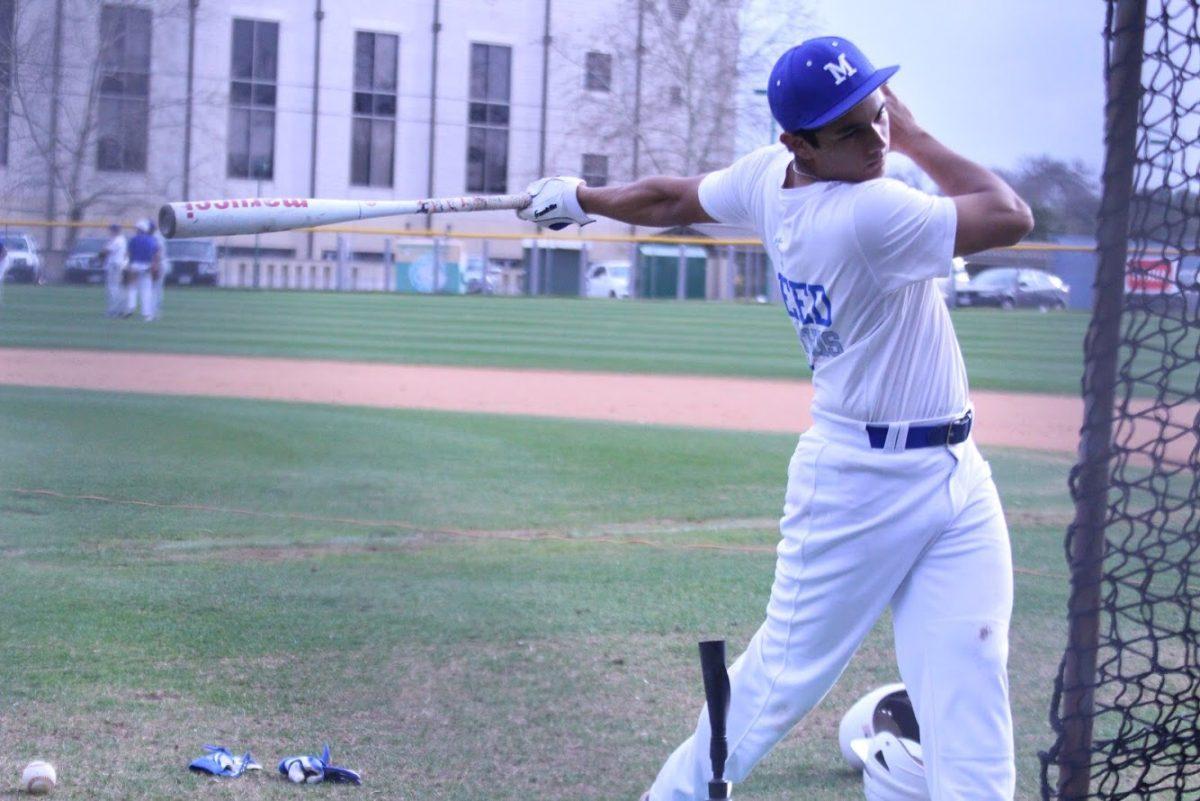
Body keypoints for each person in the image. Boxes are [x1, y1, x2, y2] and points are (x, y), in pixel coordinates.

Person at [518, 37, 1033, 801]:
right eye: (851, 131)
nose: (878, 140)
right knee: (775, 685)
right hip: (859, 483)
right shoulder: (864, 213)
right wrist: (920, 136)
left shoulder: (771, 176)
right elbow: (1010, 215)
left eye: (879, 115)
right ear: (799, 144)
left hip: (957, 473)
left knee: (971, 677)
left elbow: (668, 199)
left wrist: (586, 197)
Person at [124, 219, 161, 321]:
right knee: (146, 290)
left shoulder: (133, 240)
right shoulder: (152, 240)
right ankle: (146, 314)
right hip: (147, 265)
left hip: (135, 265)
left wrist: (127, 265)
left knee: (132, 287)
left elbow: (128, 254)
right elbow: (156, 254)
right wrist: (155, 266)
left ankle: (130, 307)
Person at [101, 223, 128, 318]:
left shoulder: (117, 240)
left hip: (114, 266)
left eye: (111, 230)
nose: (109, 232)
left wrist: (100, 254)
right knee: (118, 288)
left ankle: (114, 310)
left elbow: (106, 251)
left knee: (113, 289)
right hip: (118, 265)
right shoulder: (122, 239)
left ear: (114, 231)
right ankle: (121, 309)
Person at [149, 219, 170, 313]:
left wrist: (156, 265)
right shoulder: (157, 235)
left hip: (159, 263)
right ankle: (155, 308)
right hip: (160, 262)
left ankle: (155, 309)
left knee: (155, 287)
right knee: (157, 287)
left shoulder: (155, 236)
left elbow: (159, 251)